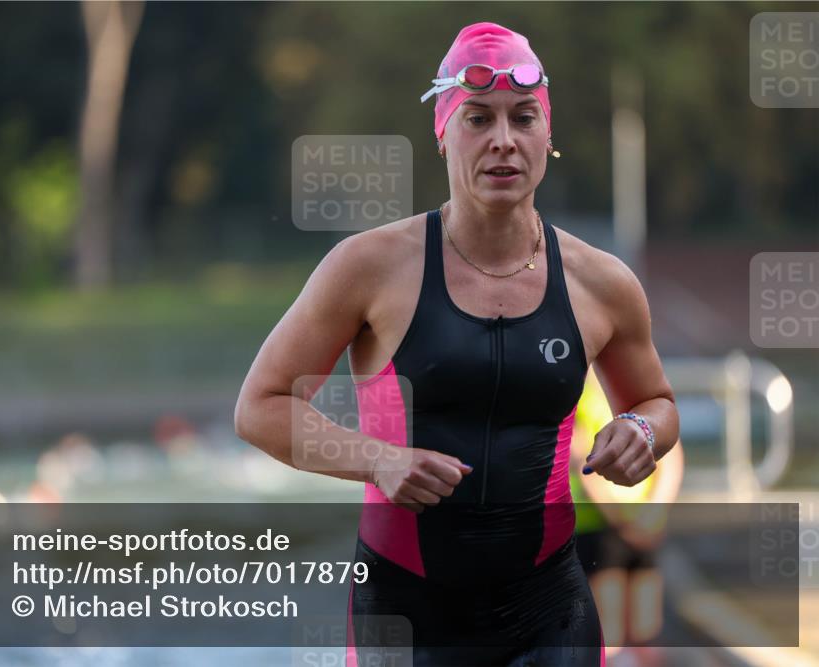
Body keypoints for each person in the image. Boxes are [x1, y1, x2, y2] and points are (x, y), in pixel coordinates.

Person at [234, 21, 679, 667]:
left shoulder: (601, 282)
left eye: (523, 118)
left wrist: (639, 428)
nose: (503, 140)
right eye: (478, 118)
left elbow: (657, 402)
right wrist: (376, 460)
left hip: (550, 610)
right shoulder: (368, 266)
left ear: (547, 135)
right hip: (408, 613)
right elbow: (260, 407)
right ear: (442, 132)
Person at [570, 368, 685, 665]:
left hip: (616, 523)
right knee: (620, 634)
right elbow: (583, 463)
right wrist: (646, 517)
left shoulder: (622, 389)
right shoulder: (593, 393)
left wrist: (642, 517)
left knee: (626, 635)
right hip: (610, 524)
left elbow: (671, 452)